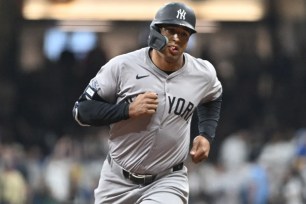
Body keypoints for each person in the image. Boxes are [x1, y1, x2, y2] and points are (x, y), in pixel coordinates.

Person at [72, 2, 222, 204]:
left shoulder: (202, 73)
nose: (176, 38)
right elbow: (81, 110)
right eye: (170, 30)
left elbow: (213, 96)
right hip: (117, 179)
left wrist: (206, 134)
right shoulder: (122, 66)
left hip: (167, 179)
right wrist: (127, 110)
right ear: (156, 31)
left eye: (184, 33)